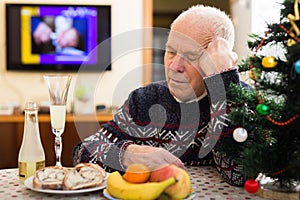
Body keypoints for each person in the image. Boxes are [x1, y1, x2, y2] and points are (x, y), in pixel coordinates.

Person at [73, 5, 244, 186]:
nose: (174, 66)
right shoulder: (143, 100)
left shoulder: (243, 101)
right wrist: (126, 155)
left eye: (191, 56)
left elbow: (237, 174)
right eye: (170, 52)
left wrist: (222, 82)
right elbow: (81, 153)